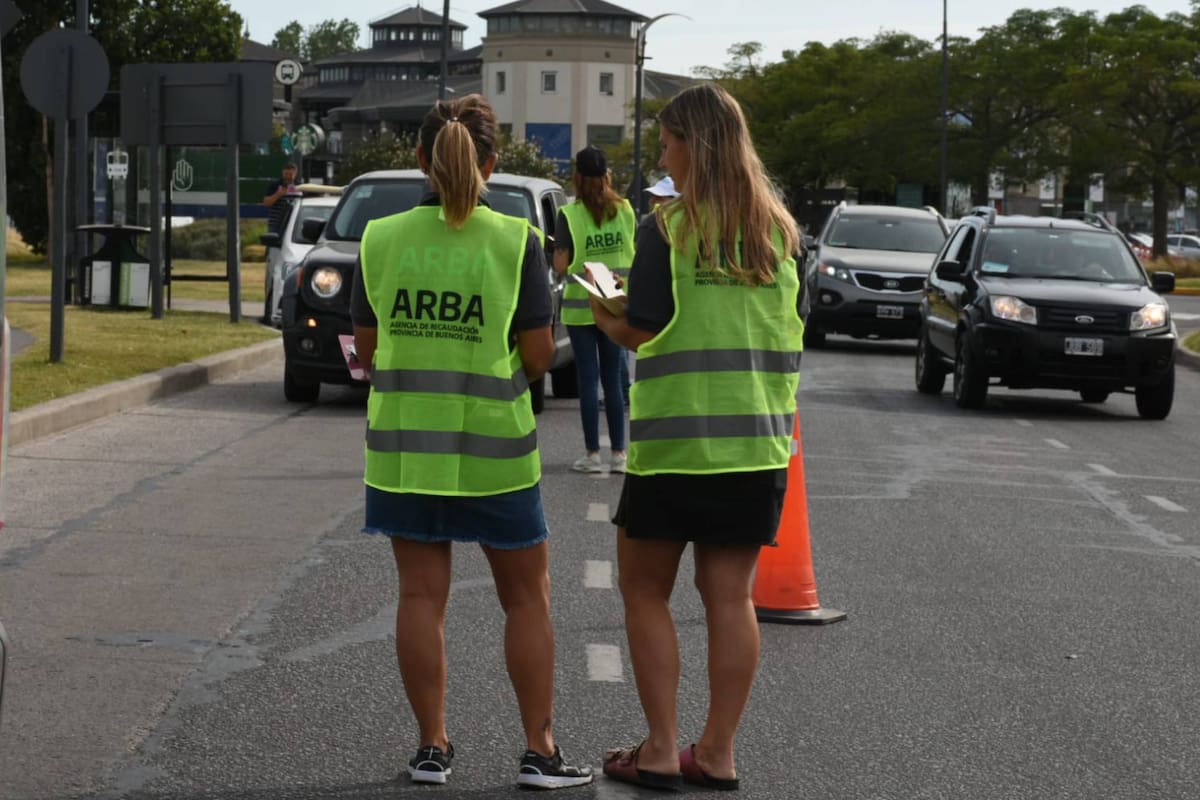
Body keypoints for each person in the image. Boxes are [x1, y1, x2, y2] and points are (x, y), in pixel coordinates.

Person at [350, 94, 593, 791]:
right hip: (495, 451)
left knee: (420, 598)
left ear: (421, 159)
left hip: (404, 450)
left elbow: (367, 349)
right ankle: (539, 752)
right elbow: (541, 356)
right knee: (526, 599)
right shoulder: (516, 239)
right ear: (491, 162)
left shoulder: (380, 237)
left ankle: (432, 749)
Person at [589, 83, 805, 792]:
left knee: (645, 591)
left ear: (694, 144)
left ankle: (657, 748)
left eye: (669, 141)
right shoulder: (779, 233)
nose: (664, 155)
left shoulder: (669, 230)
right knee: (730, 598)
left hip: (677, 449)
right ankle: (717, 751)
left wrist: (603, 311)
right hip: (756, 449)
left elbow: (644, 328)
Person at [553, 145, 636, 473]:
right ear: (607, 177)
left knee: (588, 380)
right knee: (613, 380)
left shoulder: (569, 215)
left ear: (577, 177)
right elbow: (632, 251)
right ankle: (618, 454)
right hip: (615, 303)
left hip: (581, 306)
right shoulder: (626, 209)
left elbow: (560, 265)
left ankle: (591, 455)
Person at [263, 162, 299, 234]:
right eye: (286, 174)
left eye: (290, 175)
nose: (288, 177)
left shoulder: (299, 186)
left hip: (293, 224)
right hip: (276, 224)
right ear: (282, 173)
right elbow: (266, 203)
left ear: (295, 174)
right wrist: (278, 194)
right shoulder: (275, 185)